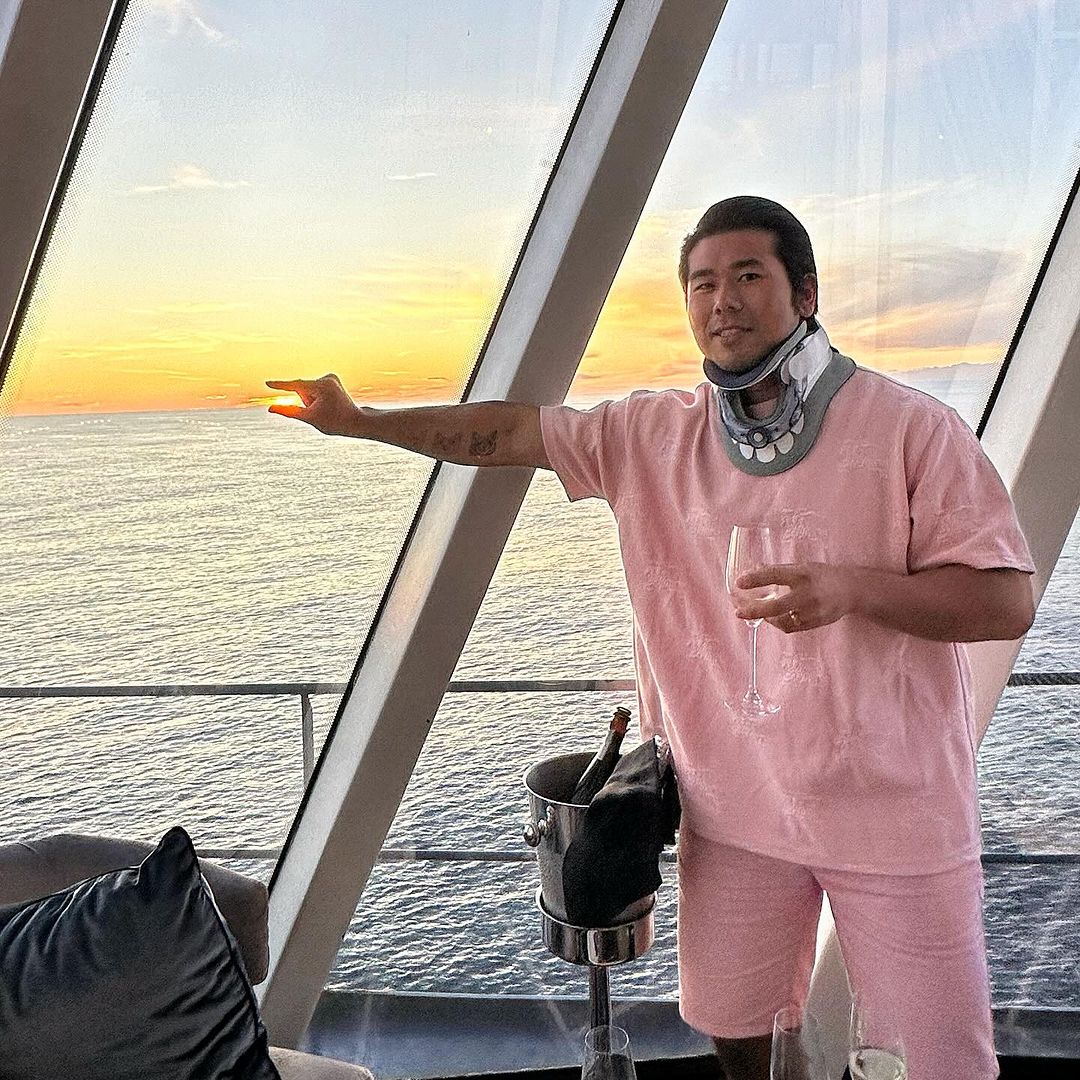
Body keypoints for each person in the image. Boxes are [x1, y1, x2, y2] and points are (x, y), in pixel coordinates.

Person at [267, 196, 1035, 1080]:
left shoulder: (912, 429)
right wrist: (361, 420)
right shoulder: (650, 435)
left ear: (806, 293)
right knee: (737, 1028)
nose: (723, 301)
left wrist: (854, 590)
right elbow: (504, 433)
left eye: (748, 276)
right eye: (702, 284)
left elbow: (1004, 600)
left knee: (938, 1061)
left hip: (895, 811)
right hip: (734, 810)